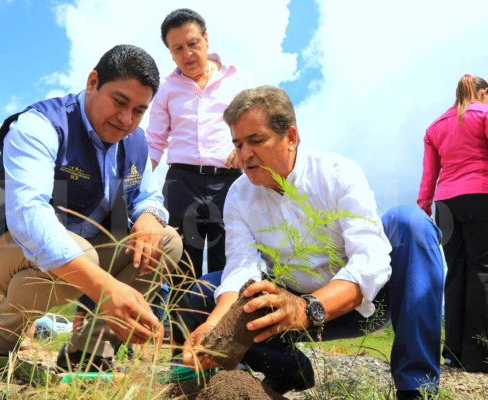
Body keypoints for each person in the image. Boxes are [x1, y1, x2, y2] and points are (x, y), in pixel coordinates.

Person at [178, 86, 445, 399]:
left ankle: (417, 388)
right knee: (204, 292)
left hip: (361, 304)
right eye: (237, 143)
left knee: (409, 223)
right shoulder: (238, 195)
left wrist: (308, 308)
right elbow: (240, 268)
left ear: (291, 137)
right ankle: (286, 369)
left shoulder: (337, 173)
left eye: (256, 140)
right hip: (288, 309)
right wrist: (215, 324)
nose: (244, 154)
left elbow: (370, 261)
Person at [0, 44, 183, 371]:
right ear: (92, 82)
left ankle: (87, 357)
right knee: (78, 255)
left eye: (138, 111)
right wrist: (105, 289)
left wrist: (149, 216)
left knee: (166, 241)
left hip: (81, 247)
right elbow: (28, 217)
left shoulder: (136, 142)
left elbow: (148, 195)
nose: (126, 120)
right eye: (119, 102)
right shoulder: (40, 125)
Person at [146, 8, 246, 283]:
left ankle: (219, 325)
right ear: (171, 53)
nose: (187, 54)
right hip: (182, 182)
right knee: (181, 263)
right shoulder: (166, 89)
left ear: (206, 39)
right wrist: (134, 183)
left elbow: (252, 126)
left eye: (193, 44)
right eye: (178, 49)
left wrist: (242, 149)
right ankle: (180, 326)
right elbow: (154, 140)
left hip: (227, 182)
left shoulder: (235, 81)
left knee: (226, 259)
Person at [417, 74, 488, 373]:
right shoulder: (484, 114)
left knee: (456, 273)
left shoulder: (435, 126)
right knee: (482, 272)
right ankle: (480, 355)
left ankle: (454, 354)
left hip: (445, 205)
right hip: (480, 197)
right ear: (483, 93)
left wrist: (424, 208)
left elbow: (429, 175)